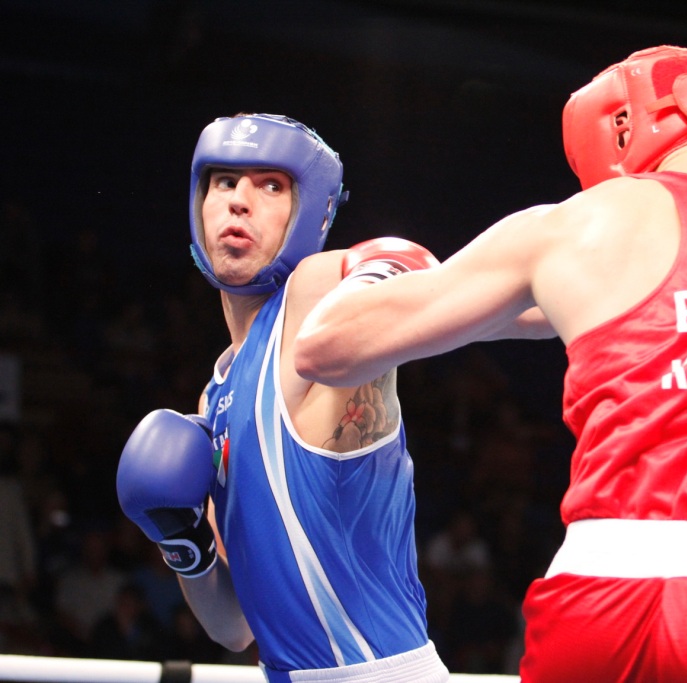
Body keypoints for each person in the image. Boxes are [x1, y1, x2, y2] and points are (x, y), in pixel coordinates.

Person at [293, 46, 687, 682]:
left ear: (621, 131)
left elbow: (323, 346)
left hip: (596, 597)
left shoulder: (577, 228)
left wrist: (385, 269)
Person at [115, 113, 450, 682]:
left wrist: (379, 281)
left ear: (312, 211)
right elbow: (232, 626)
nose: (239, 202)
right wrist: (184, 543)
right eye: (224, 182)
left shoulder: (312, 298)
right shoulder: (215, 395)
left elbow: (409, 265)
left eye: (270, 185)